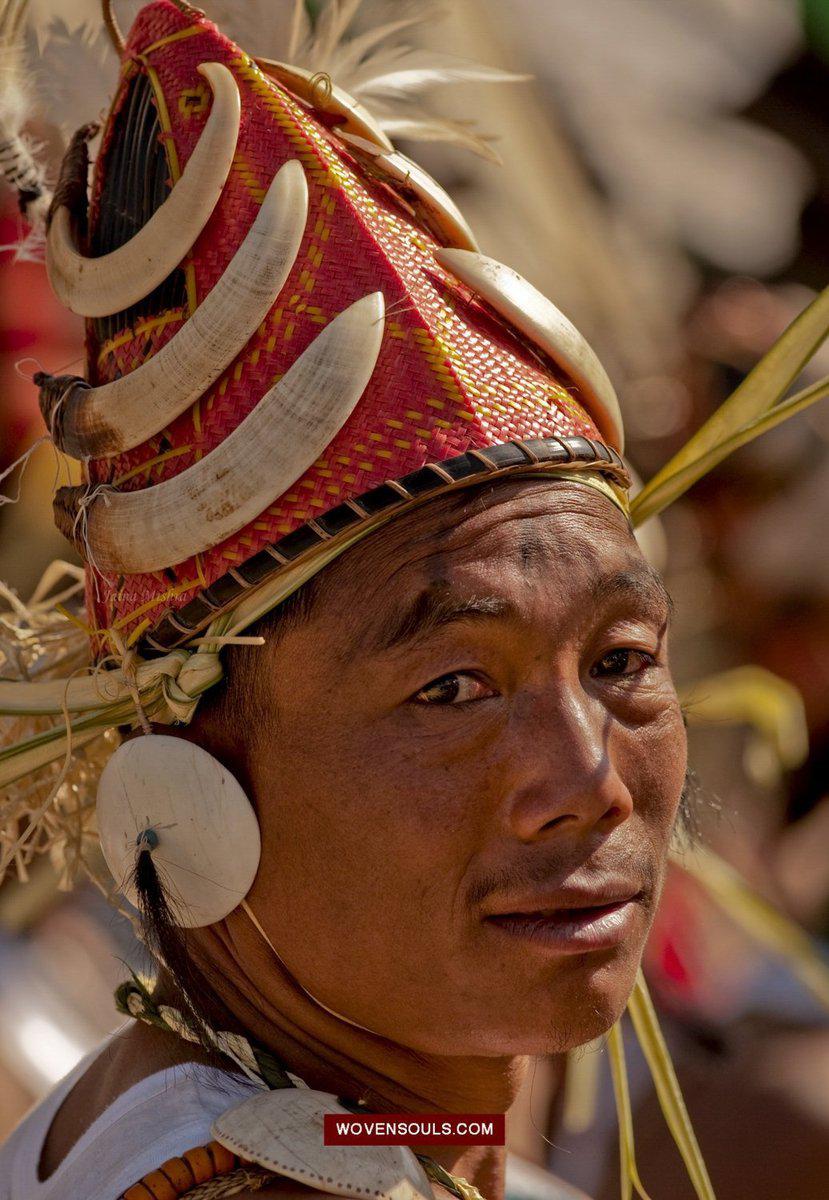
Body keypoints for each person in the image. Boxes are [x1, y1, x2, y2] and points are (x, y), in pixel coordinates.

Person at [0, 2, 825, 1198]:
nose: (590, 779)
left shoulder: (317, 1107)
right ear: (183, 786)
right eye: (451, 688)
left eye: (619, 662)